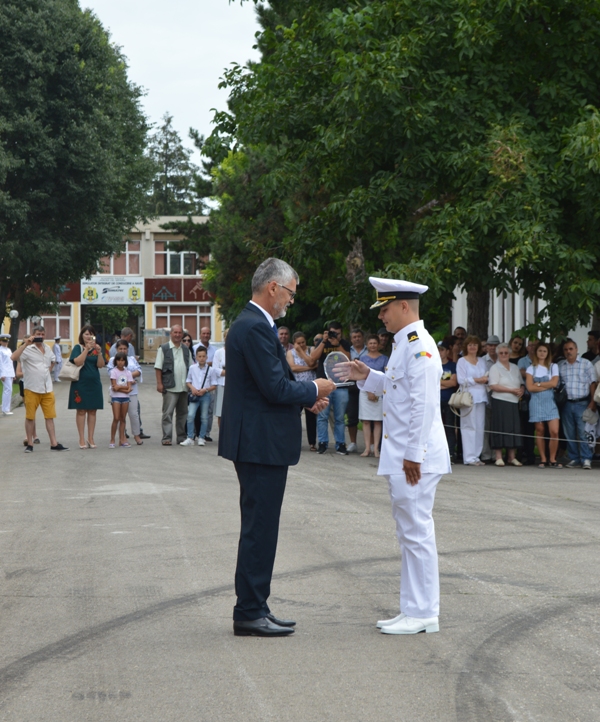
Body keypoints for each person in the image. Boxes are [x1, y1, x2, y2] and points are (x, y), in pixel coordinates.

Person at [218, 257, 334, 637]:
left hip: (259, 441)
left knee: (262, 527)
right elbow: (273, 388)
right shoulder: (253, 327)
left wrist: (304, 399)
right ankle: (249, 611)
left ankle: (257, 605)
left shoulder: (256, 324)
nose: (291, 301)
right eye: (289, 293)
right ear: (273, 288)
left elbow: (269, 386)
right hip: (258, 443)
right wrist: (315, 388)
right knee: (259, 528)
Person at [335, 276, 450, 635]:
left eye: (385, 309)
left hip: (414, 457)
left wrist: (414, 455)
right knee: (408, 534)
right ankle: (412, 608)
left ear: (403, 306)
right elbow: (397, 387)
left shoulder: (420, 347)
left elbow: (426, 404)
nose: (381, 317)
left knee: (416, 533)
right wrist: (368, 374)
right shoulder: (404, 344)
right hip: (404, 454)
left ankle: (424, 612)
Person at [11, 327, 68, 452]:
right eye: (38, 334)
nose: (40, 336)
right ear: (33, 335)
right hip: (32, 388)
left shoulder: (47, 348)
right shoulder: (27, 349)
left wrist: (50, 369)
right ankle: (30, 444)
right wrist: (26, 344)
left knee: (50, 416)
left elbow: (53, 360)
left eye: (42, 334)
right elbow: (13, 357)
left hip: (47, 388)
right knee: (30, 417)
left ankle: (54, 443)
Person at [310, 321, 351, 454]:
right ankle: (322, 443)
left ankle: (340, 444)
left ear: (341, 333)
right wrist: (323, 341)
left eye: (337, 333)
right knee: (322, 416)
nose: (335, 335)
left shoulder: (343, 343)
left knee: (339, 417)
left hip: (340, 384)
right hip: (324, 384)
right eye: (332, 332)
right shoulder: (322, 342)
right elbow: (313, 358)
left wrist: (337, 344)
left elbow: (349, 360)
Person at [559, 339, 596, 469]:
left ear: (576, 349)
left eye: (571, 349)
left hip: (582, 402)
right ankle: (574, 458)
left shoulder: (586, 364)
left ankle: (586, 458)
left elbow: (593, 383)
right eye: (566, 349)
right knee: (569, 433)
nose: (568, 352)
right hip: (566, 404)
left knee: (583, 432)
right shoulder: (561, 366)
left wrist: (592, 402)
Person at [69, 324, 105, 449]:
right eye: (86, 334)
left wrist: (99, 353)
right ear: (82, 335)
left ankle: (91, 438)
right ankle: (81, 439)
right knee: (81, 410)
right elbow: (77, 362)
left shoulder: (96, 349)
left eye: (90, 334)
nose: (88, 336)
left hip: (94, 383)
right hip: (80, 383)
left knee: (92, 410)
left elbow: (100, 365)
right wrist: (86, 349)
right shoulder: (78, 348)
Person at [526, 342, 561, 468]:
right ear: (536, 352)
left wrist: (539, 385)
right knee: (540, 431)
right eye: (540, 350)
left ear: (548, 353)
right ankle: (543, 458)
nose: (542, 353)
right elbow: (530, 387)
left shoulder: (553, 367)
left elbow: (554, 384)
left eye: (544, 351)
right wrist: (545, 385)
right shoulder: (531, 368)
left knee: (554, 431)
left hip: (549, 402)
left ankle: (553, 458)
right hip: (536, 402)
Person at [154, 324, 191, 446]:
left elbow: (191, 368)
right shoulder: (163, 349)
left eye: (179, 333)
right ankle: (166, 437)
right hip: (170, 387)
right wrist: (159, 383)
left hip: (184, 387)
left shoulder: (186, 349)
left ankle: (181, 437)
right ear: (171, 334)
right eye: (175, 332)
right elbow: (158, 367)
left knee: (183, 414)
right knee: (167, 413)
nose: (177, 335)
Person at [488, 343, 524, 466]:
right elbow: (493, 385)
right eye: (501, 353)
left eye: (506, 353)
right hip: (500, 401)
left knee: (512, 428)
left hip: (513, 402)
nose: (504, 355)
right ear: (498, 354)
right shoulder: (495, 368)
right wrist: (511, 390)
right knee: (499, 427)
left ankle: (511, 457)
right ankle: (498, 456)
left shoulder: (515, 367)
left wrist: (521, 390)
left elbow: (521, 383)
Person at [456, 336, 488, 465]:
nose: (473, 347)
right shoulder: (462, 361)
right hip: (468, 397)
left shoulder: (482, 361)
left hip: (481, 397)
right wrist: (476, 380)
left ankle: (476, 456)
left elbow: (486, 377)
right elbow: (461, 380)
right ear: (466, 347)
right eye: (470, 345)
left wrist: (482, 380)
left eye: (475, 345)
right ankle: (469, 457)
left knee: (480, 426)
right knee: (469, 426)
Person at [107, 340, 144, 445]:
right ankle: (121, 437)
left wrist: (127, 376)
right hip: (118, 393)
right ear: (116, 350)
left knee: (133, 414)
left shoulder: (132, 359)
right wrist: (127, 378)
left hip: (131, 391)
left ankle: (136, 435)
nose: (123, 350)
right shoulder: (113, 360)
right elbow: (112, 374)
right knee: (118, 416)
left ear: (128, 349)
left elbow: (139, 371)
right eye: (120, 349)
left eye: (125, 349)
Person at [181, 346, 219, 446]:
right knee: (190, 415)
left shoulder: (211, 370)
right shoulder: (192, 368)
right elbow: (188, 381)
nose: (202, 358)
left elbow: (214, 385)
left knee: (204, 417)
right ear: (196, 357)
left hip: (205, 395)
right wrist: (192, 388)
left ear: (207, 357)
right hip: (194, 394)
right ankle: (190, 437)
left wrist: (205, 389)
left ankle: (201, 437)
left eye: (203, 356)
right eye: (199, 356)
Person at [286, 331, 318, 451]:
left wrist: (301, 352)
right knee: (295, 416)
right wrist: (309, 368)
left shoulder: (311, 350)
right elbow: (293, 368)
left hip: (310, 386)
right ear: (294, 343)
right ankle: (294, 442)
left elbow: (311, 361)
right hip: (297, 386)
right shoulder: (290, 353)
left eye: (303, 342)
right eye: (298, 343)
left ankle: (312, 442)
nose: (301, 345)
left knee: (311, 417)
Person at [359, 334, 387, 457]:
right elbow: (361, 375)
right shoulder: (362, 359)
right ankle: (367, 448)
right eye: (370, 343)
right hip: (365, 391)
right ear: (367, 345)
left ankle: (376, 449)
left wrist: (376, 391)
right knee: (366, 421)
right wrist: (370, 391)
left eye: (375, 343)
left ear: (378, 344)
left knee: (377, 421)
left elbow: (387, 376)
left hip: (380, 392)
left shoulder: (385, 359)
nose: (372, 345)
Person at [517, 338, 539, 465]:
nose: (533, 348)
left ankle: (535, 455)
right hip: (526, 397)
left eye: (535, 345)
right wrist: (537, 375)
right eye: (530, 345)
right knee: (525, 428)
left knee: (538, 428)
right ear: (526, 348)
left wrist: (529, 374)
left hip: (539, 397)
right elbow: (521, 373)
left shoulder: (541, 360)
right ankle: (523, 454)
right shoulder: (522, 361)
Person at [346, 328, 367, 453]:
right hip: (352, 385)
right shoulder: (347, 351)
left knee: (368, 417)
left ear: (363, 337)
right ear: (351, 339)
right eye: (354, 337)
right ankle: (353, 442)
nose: (357, 339)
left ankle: (369, 444)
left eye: (359, 336)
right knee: (352, 415)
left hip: (366, 384)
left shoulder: (369, 349)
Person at [193, 326, 215, 442]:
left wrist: (207, 363)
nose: (206, 335)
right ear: (200, 334)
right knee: (195, 411)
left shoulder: (214, 350)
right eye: (204, 333)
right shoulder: (194, 348)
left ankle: (206, 433)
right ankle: (195, 433)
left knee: (208, 411)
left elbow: (216, 367)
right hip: (196, 385)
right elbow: (193, 365)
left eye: (208, 333)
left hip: (209, 384)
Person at [109, 352, 133, 448]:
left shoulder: (128, 373)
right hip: (116, 397)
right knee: (116, 417)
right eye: (119, 360)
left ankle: (122, 439)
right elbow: (114, 387)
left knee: (123, 418)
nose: (120, 362)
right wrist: (122, 388)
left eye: (123, 360)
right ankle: (112, 439)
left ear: (125, 361)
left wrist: (119, 387)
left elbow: (129, 389)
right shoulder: (114, 372)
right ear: (116, 361)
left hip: (125, 398)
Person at [438, 340, 457, 460]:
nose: (440, 352)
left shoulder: (452, 366)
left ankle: (450, 453)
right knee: (436, 427)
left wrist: (439, 384)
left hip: (449, 400)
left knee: (450, 427)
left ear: (447, 351)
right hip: (436, 400)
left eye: (442, 350)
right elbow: (430, 382)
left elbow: (453, 382)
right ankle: (438, 453)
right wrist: (446, 384)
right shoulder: (433, 365)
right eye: (438, 350)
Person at [212, 331, 227, 428]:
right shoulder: (219, 352)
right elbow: (215, 369)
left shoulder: (238, 351)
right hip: (222, 384)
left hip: (235, 386)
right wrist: (228, 372)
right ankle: (222, 436)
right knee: (220, 412)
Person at [0, 333, 15, 416]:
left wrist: (13, 374)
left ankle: (6, 408)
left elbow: (10, 362)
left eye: (6, 341)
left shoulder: (9, 350)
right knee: (8, 390)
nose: (5, 342)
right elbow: (1, 363)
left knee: (9, 390)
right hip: (4, 373)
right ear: (0, 342)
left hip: (10, 372)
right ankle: (5, 409)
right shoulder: (0, 350)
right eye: (3, 341)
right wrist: (2, 374)